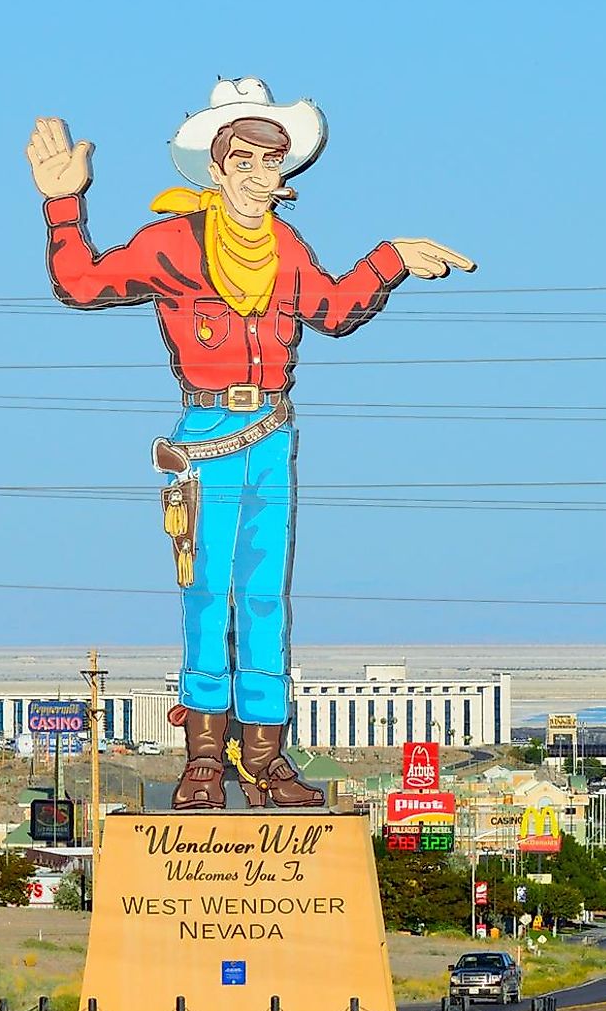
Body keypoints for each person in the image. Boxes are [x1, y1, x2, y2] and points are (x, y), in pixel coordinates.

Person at [30, 79, 472, 810]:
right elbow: (82, 283)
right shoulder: (173, 243)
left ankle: (266, 759)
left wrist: (389, 259)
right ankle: (204, 760)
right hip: (205, 437)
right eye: (247, 161)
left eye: (274, 164)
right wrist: (63, 203)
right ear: (216, 166)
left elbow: (331, 308)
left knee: (264, 599)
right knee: (207, 597)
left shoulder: (286, 247)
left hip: (272, 436)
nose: (262, 176)